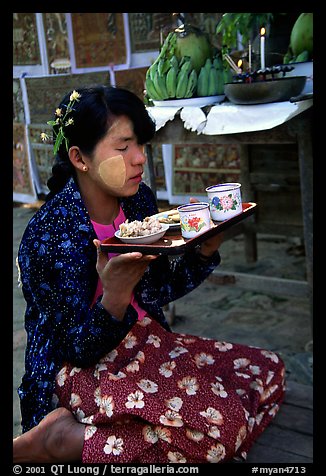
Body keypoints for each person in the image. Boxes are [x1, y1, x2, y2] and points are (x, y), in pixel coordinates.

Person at [13, 85, 285, 464]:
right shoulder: (48, 236)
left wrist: (205, 247)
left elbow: (157, 290)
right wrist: (114, 296)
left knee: (269, 370)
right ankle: (60, 438)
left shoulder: (138, 201)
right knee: (221, 433)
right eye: (123, 147)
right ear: (80, 158)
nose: (139, 158)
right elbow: (74, 350)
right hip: (80, 371)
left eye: (140, 143)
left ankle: (105, 441)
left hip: (146, 343)